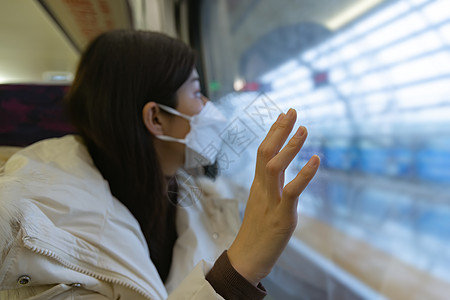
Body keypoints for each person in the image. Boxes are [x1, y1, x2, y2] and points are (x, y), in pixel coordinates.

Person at [0, 30, 320, 299]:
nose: (209, 106)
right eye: (197, 92)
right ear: (156, 119)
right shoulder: (42, 235)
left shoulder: (181, 189)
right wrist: (240, 268)